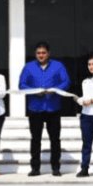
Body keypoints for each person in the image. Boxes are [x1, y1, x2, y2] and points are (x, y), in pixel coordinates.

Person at [18, 41, 70, 177]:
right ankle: (35, 168)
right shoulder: (28, 67)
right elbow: (22, 84)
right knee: (35, 139)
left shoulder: (58, 66)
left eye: (43, 53)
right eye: (38, 53)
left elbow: (66, 81)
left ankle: (56, 167)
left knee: (55, 139)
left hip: (53, 108)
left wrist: (54, 90)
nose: (41, 55)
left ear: (48, 53)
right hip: (35, 108)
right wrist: (35, 91)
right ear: (35, 54)